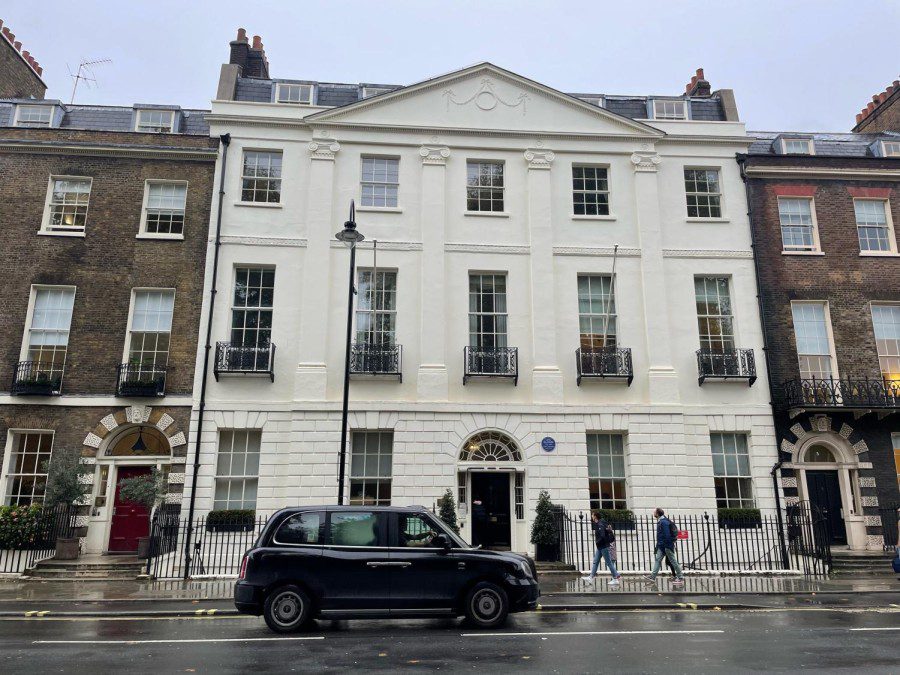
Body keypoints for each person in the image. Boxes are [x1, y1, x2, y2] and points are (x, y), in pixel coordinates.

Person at [643, 507, 684, 586]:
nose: (653, 513)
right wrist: (658, 545)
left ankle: (680, 577)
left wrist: (667, 546)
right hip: (661, 546)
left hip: (666, 546)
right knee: (658, 560)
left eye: (654, 512)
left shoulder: (664, 522)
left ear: (657, 514)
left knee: (673, 561)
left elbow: (667, 535)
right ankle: (653, 577)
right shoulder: (661, 521)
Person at [582, 511, 622, 586]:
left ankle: (615, 578)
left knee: (609, 563)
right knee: (596, 561)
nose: (592, 517)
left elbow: (603, 535)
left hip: (603, 546)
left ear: (595, 516)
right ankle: (591, 577)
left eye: (592, 515)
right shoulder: (601, 523)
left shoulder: (600, 524)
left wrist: (598, 542)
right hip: (600, 546)